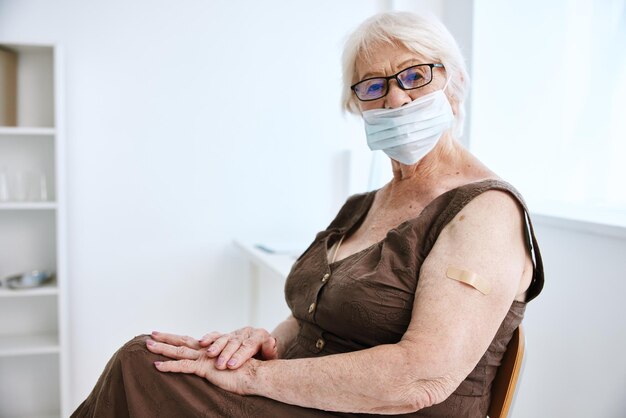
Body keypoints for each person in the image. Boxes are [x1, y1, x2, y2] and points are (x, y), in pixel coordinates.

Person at [72, 11, 544, 418]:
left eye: (416, 75)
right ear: (356, 106)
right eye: (373, 86)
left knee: (140, 367)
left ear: (455, 84)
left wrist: (254, 377)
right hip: (307, 403)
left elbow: (421, 377)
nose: (396, 99)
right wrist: (260, 344)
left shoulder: (484, 212)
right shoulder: (363, 205)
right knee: (146, 361)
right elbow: (309, 321)